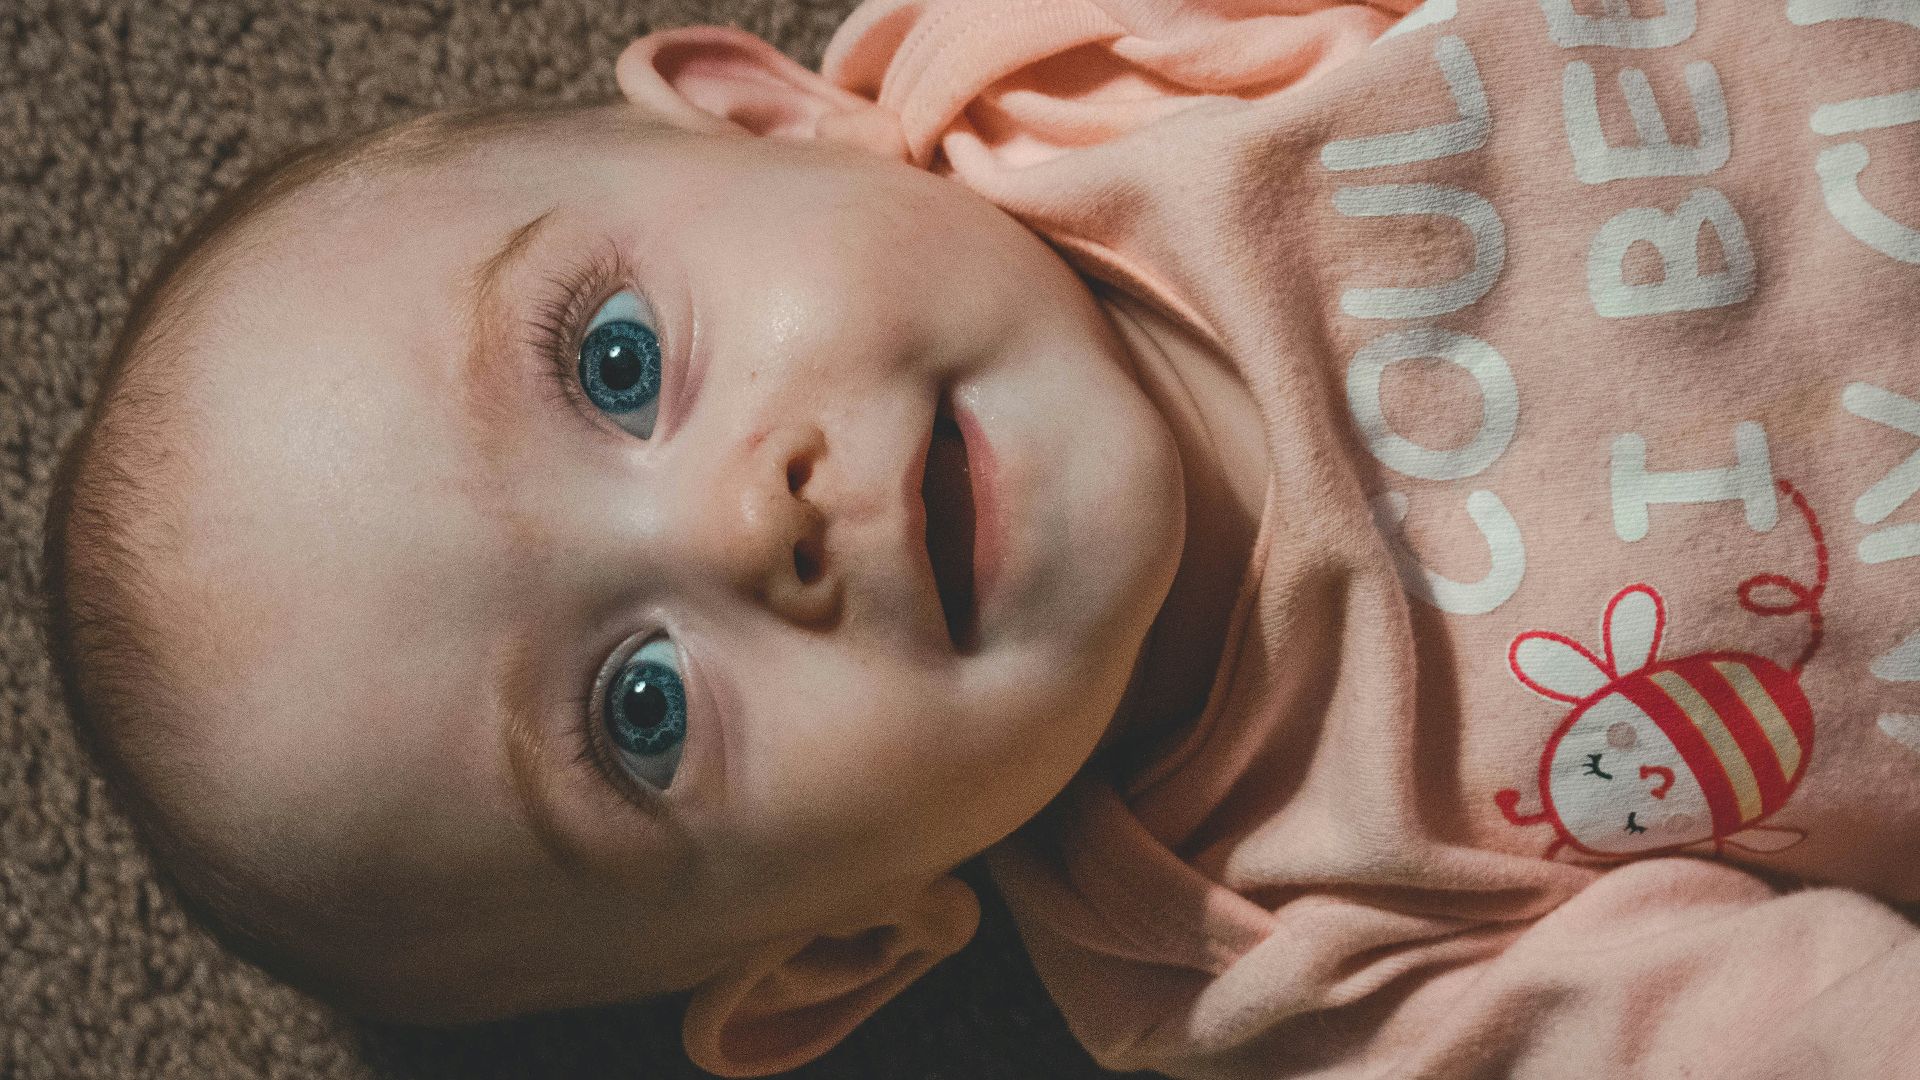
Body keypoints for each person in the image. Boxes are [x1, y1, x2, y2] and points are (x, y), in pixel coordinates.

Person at [40, 0, 1920, 1075]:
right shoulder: (1280, 955)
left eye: (618, 363)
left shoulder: (1085, 67)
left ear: (770, 117)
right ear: (841, 950)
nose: (738, 521)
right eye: (639, 711)